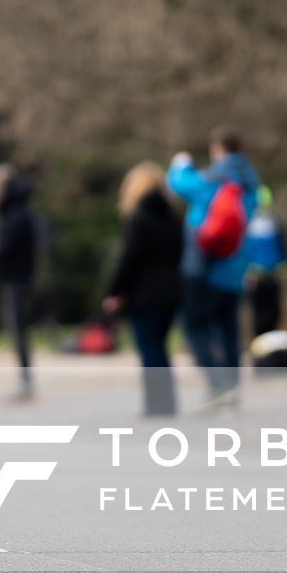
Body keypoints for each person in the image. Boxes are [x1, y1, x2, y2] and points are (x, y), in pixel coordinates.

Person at [168, 130, 261, 408]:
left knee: (194, 325)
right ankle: (232, 386)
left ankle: (216, 383)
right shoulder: (251, 182)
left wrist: (180, 164)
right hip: (236, 268)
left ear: (218, 149)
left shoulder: (214, 177)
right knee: (229, 327)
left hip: (204, 266)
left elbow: (180, 184)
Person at [103, 163, 184, 416]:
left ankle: (155, 403)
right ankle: (167, 400)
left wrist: (114, 290)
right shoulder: (172, 216)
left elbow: (130, 258)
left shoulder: (138, 218)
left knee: (149, 349)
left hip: (144, 293)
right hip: (171, 290)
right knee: (160, 347)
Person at [0, 163, 40, 400]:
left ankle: (26, 381)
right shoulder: (19, 211)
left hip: (15, 279)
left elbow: (5, 249)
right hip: (19, 277)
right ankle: (25, 379)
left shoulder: (14, 215)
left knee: (18, 330)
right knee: (18, 330)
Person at [245, 186, 287, 338]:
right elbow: (246, 252)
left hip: (273, 274)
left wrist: (284, 267)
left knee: (274, 313)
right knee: (260, 314)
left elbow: (284, 247)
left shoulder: (276, 222)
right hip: (256, 276)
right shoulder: (247, 223)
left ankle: (271, 346)